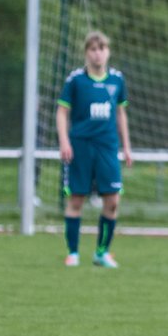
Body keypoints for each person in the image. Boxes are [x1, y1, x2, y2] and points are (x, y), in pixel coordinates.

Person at [57, 30, 132, 268]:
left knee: (113, 201)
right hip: (80, 146)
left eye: (101, 49)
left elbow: (121, 114)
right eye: (93, 49)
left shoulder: (117, 80)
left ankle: (102, 252)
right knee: (76, 200)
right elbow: (62, 111)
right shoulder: (76, 80)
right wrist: (64, 141)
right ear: (86, 53)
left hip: (107, 147)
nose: (97, 54)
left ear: (108, 52)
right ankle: (73, 253)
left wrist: (127, 147)